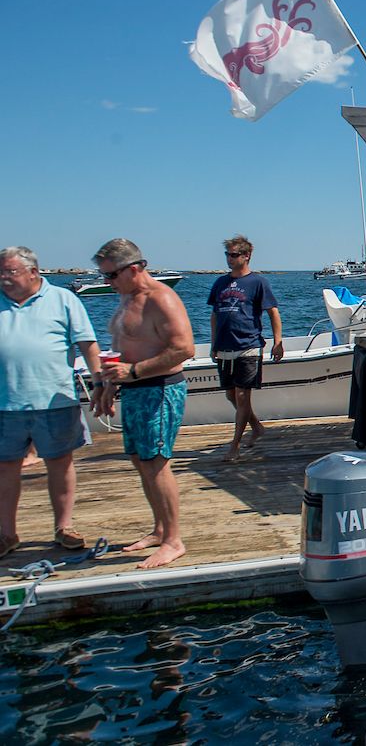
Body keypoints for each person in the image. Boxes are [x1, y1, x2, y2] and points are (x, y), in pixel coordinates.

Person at [92, 239, 195, 569]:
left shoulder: (162, 299)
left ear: (134, 268)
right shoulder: (126, 296)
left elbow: (184, 349)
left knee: (156, 462)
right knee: (140, 460)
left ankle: (173, 540)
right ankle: (160, 528)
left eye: (110, 276)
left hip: (159, 390)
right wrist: (109, 384)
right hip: (135, 390)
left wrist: (132, 371)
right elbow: (124, 344)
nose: (107, 283)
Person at [0, 246, 103, 557]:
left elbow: (88, 344)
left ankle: (64, 527)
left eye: (10, 272)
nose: (4, 279)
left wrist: (100, 382)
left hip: (55, 400)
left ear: (34, 272)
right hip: (5, 405)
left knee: (60, 464)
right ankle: (6, 534)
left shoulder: (63, 299)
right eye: (1, 273)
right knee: (5, 468)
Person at [207, 235, 282, 462]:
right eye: (227, 255)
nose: (229, 259)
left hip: (248, 346)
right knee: (231, 395)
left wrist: (278, 342)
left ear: (246, 256)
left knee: (242, 396)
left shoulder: (258, 282)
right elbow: (214, 315)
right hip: (224, 347)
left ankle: (235, 446)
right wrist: (213, 344)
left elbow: (273, 312)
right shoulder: (220, 283)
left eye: (233, 255)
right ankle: (257, 427)